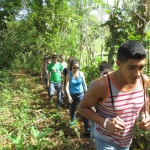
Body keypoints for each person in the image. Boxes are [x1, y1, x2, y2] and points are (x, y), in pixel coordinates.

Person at [78, 40, 150, 150]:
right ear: (119, 64)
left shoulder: (144, 80)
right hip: (106, 141)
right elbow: (82, 108)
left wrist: (145, 113)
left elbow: (144, 98)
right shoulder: (102, 85)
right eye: (131, 67)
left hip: (126, 142)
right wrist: (106, 122)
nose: (137, 74)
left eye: (141, 67)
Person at [88, 61, 112, 148]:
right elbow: (88, 102)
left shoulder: (111, 84)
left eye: (109, 73)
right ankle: (92, 142)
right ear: (100, 72)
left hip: (105, 113)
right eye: (105, 73)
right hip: (94, 111)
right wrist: (95, 113)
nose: (107, 76)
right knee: (94, 128)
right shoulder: (93, 83)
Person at [65, 60, 91, 133]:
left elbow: (84, 84)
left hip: (81, 94)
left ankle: (87, 127)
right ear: (71, 67)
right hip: (72, 95)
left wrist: (87, 93)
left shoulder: (81, 74)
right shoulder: (68, 75)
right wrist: (69, 96)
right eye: (74, 68)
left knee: (83, 110)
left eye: (77, 67)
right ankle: (72, 121)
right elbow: (66, 86)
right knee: (72, 109)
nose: (76, 69)